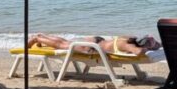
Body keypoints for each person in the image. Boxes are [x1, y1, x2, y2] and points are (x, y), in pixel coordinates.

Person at [27, 33, 161, 55]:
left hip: (97, 41)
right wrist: (149, 50)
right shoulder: (130, 46)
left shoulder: (130, 39)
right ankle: (37, 39)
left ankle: (41, 36)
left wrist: (156, 45)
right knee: (62, 45)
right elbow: (139, 52)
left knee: (65, 42)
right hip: (93, 47)